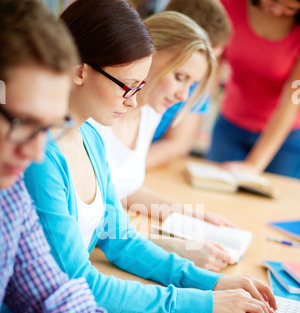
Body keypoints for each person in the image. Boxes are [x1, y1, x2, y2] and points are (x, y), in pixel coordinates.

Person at [0, 0, 234, 313]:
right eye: (21, 124)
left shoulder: (11, 195)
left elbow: (61, 305)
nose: (33, 153)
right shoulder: (32, 169)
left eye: (45, 128)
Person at [25, 0, 276, 313]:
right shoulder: (39, 157)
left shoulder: (89, 138)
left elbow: (119, 239)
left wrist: (210, 283)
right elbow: (81, 281)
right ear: (79, 70)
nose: (132, 101)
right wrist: (203, 302)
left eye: (138, 88)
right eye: (126, 86)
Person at [91, 9, 235, 272]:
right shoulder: (96, 116)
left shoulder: (149, 111)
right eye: (180, 77)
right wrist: (164, 245)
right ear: (147, 53)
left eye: (191, 84)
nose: (182, 95)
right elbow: (86, 221)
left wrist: (184, 215)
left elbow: (123, 189)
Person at [205, 0, 300, 178]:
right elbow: (212, 67)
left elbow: (293, 99)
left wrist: (254, 165)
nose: (276, 10)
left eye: (291, 8)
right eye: (273, 0)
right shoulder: (230, 5)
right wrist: (192, 121)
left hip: (286, 138)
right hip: (230, 125)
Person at [148, 0, 232, 169]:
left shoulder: (196, 83)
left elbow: (179, 142)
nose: (183, 95)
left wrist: (129, 171)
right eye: (180, 76)